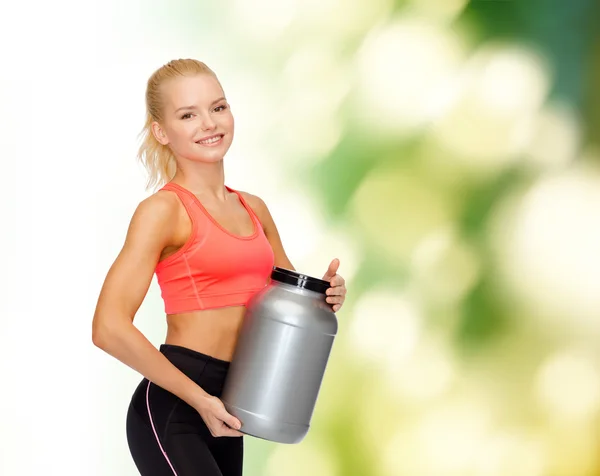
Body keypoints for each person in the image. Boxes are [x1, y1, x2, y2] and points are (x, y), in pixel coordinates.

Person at [91, 58, 347, 476]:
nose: (208, 123)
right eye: (188, 115)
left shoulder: (253, 208)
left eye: (218, 107)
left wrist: (327, 293)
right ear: (161, 131)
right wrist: (199, 399)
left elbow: (288, 306)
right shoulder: (163, 211)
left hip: (233, 405)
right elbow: (108, 327)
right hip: (177, 406)